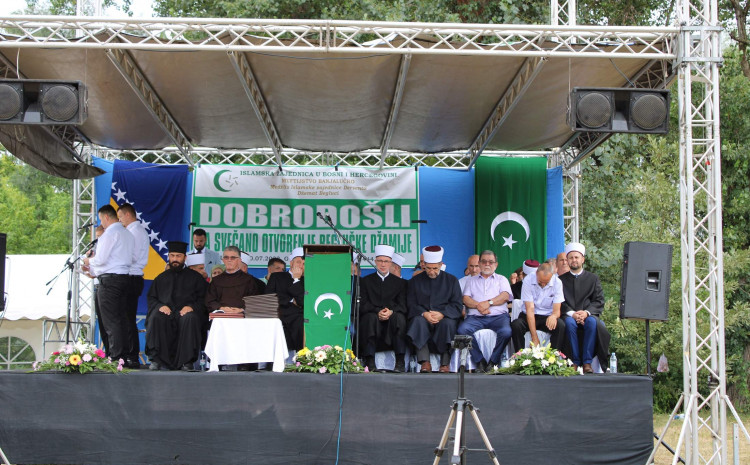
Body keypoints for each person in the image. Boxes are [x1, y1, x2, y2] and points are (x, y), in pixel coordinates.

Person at [145, 241, 208, 371]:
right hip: (166, 313)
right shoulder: (161, 278)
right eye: (172, 255)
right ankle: (156, 360)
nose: (175, 259)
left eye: (178, 256)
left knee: (190, 318)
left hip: (185, 313)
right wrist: (160, 306)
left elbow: (203, 299)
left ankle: (186, 362)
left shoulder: (196, 278)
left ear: (185, 257)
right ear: (169, 256)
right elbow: (152, 298)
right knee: (156, 317)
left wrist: (191, 307)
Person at [83, 205, 134, 363]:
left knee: (111, 320)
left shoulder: (109, 234)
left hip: (110, 280)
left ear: (106, 217)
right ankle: (123, 356)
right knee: (121, 318)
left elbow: (100, 259)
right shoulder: (127, 233)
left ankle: (116, 356)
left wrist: (88, 261)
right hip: (124, 277)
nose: (101, 223)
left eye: (101, 219)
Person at [406, 245, 462, 373]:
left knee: (448, 324)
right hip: (424, 316)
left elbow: (457, 305)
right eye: (429, 268)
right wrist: (424, 313)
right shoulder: (415, 281)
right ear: (424, 265)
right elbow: (411, 303)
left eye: (435, 268)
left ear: (441, 265)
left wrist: (442, 314)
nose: (431, 272)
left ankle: (445, 363)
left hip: (444, 317)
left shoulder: (452, 280)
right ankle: (425, 362)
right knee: (417, 321)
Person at [457, 250, 513, 372]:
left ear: (496, 264)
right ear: (480, 263)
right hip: (475, 317)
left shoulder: (501, 279)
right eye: (484, 261)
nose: (487, 264)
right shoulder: (471, 280)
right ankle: (479, 361)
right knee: (462, 330)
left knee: (506, 332)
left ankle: (493, 361)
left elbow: (505, 296)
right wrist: (479, 306)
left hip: (498, 317)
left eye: (491, 262)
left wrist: (488, 303)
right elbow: (466, 299)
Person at [559, 242, 609, 373]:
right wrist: (573, 314)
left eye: (576, 257)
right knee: (569, 323)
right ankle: (574, 362)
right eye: (571, 257)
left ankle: (587, 363)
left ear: (583, 259)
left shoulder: (593, 278)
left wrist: (586, 313)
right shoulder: (560, 280)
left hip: (588, 315)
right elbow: (559, 302)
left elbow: (598, 300)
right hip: (569, 315)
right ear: (567, 260)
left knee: (592, 322)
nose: (574, 260)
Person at [358, 245, 408, 372]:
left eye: (386, 261)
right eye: (380, 261)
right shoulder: (365, 281)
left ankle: (400, 361)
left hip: (392, 320)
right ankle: (370, 361)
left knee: (399, 318)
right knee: (369, 318)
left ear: (391, 262)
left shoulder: (400, 283)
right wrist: (377, 311)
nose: (383, 264)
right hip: (373, 318)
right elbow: (363, 304)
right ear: (375, 261)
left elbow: (403, 305)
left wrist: (391, 311)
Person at [116, 203, 150, 369]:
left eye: (120, 217)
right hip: (129, 276)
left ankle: (132, 355)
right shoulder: (132, 231)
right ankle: (128, 354)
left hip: (132, 277)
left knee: (128, 318)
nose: (119, 221)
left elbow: (133, 256)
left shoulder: (135, 232)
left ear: (128, 215)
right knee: (125, 318)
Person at [510, 262, 567, 354]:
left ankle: (553, 357)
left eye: (546, 283)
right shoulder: (528, 280)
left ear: (552, 276)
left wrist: (553, 316)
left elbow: (557, 311)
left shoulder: (557, 282)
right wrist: (534, 337)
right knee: (516, 325)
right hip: (529, 315)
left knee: (560, 325)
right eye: (540, 282)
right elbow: (530, 309)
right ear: (536, 273)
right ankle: (519, 356)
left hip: (547, 317)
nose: (543, 285)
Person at [266, 247, 306, 351]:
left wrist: (296, 279)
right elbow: (268, 297)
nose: (301, 266)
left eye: (304, 263)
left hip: (298, 318)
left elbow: (303, 302)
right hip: (280, 314)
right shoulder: (277, 276)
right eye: (298, 262)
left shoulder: (307, 280)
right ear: (291, 263)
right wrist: (291, 301)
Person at [205, 246, 259, 314]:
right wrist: (221, 308)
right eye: (226, 257)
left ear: (239, 260)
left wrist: (241, 310)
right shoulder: (216, 280)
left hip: (242, 316)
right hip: (220, 316)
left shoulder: (248, 280)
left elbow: (254, 301)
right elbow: (209, 301)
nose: (229, 260)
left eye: (233, 258)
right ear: (223, 260)